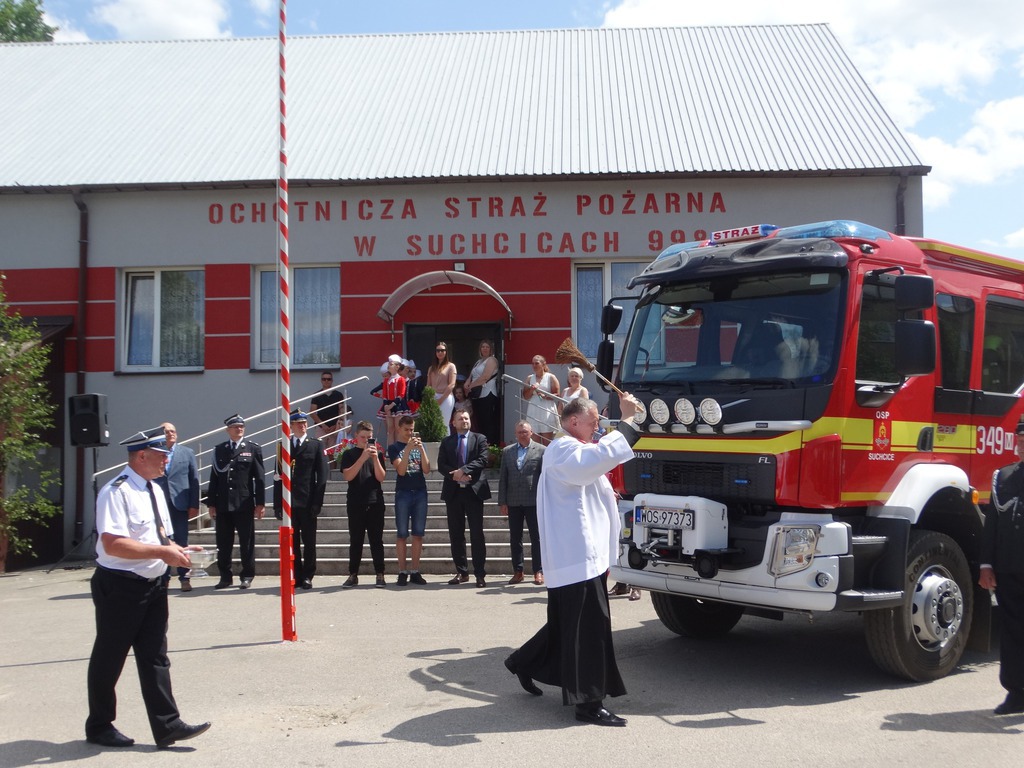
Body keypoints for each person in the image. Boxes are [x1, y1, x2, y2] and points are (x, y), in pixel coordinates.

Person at [503, 393, 639, 727]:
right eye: (593, 422)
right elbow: (599, 459)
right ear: (573, 421)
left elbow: (595, 464)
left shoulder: (573, 448)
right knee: (589, 629)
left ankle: (523, 661)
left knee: (571, 624)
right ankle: (588, 704)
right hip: (576, 555)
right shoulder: (564, 448)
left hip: (581, 556)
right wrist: (629, 420)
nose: (597, 428)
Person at [85, 427, 211, 749]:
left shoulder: (154, 489)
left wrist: (179, 550)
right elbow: (112, 544)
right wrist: (162, 553)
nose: (167, 461)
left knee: (155, 657)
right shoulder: (117, 491)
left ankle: (167, 726)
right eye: (161, 456)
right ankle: (99, 725)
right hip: (121, 586)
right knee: (110, 657)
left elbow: (158, 537)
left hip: (154, 584)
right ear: (141, 456)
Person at [980, 421, 1024, 716]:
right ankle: (1017, 693)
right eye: (1020, 437)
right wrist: (986, 565)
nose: (1022, 442)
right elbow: (992, 524)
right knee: (1012, 631)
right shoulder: (1003, 476)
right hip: (1010, 567)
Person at [205, 414, 266, 590]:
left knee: (246, 542)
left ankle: (247, 575)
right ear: (228, 430)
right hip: (223, 504)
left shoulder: (253, 449)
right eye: (235, 427)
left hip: (244, 503)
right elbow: (214, 478)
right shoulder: (219, 450)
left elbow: (259, 478)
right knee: (223, 543)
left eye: (241, 427)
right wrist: (211, 503)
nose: (239, 429)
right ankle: (225, 576)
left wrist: (260, 503)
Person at [273, 410, 329, 590]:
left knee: (309, 541)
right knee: (293, 541)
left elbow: (321, 476)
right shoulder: (284, 446)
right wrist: (277, 504)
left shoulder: (315, 445)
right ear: (291, 425)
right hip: (290, 502)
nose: (302, 425)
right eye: (298, 423)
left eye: (304, 422)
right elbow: (278, 477)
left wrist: (317, 503)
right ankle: (296, 574)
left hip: (307, 501)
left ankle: (308, 575)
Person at [439, 409, 492, 587]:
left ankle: (479, 574)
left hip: (474, 492)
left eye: (467, 418)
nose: (464, 421)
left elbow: (483, 459)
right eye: (460, 419)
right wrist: (454, 475)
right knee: (456, 534)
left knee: (476, 534)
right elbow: (441, 464)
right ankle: (462, 572)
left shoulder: (480, 439)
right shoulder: (447, 441)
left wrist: (464, 470)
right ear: (453, 423)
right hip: (453, 493)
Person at [340, 421, 388, 588]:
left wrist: (374, 458)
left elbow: (381, 478)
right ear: (356, 437)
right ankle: (353, 574)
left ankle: (380, 574)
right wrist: (362, 458)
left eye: (369, 437)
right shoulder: (349, 454)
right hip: (355, 503)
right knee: (356, 540)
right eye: (363, 437)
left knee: (376, 540)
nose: (367, 440)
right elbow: (348, 476)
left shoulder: (378, 455)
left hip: (375, 502)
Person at [498, 420, 545, 585]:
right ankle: (518, 571)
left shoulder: (541, 451)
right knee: (515, 537)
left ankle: (538, 571)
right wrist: (502, 501)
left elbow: (545, 477)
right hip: (513, 500)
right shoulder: (507, 452)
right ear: (515, 434)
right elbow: (503, 477)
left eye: (525, 432)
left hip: (533, 501)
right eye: (519, 432)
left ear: (531, 432)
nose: (522, 435)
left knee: (536, 537)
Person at [155, 421, 200, 592]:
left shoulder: (187, 453)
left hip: (180, 504)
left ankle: (184, 577)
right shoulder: (155, 453)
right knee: (162, 541)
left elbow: (194, 480)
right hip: (159, 505)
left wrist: (194, 504)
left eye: (173, 431)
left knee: (181, 541)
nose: (170, 434)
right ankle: (163, 578)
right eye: (166, 432)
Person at [388, 415, 431, 586]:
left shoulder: (420, 446)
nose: (410, 433)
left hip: (420, 491)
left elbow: (427, 469)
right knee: (402, 533)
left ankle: (415, 570)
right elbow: (401, 470)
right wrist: (407, 450)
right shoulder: (393, 448)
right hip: (403, 493)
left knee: (418, 533)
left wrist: (421, 450)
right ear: (399, 429)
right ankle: (402, 571)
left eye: (412, 429)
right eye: (406, 430)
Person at [465, 338, 500, 444]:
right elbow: (471, 376)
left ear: (491, 349)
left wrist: (471, 386)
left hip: (487, 394)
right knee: (479, 421)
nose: (485, 349)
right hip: (477, 396)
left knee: (488, 422)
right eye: (483, 347)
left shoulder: (492, 360)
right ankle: (481, 444)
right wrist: (466, 385)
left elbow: (485, 377)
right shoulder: (478, 362)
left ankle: (490, 445)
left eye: (487, 347)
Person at [523, 355, 560, 444]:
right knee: (534, 441)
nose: (534, 366)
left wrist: (546, 396)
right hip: (534, 409)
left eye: (537, 363)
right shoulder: (529, 378)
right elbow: (525, 396)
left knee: (547, 441)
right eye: (533, 364)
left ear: (543, 364)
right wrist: (531, 389)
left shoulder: (551, 377)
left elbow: (558, 395)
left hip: (546, 408)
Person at [428, 340, 458, 435]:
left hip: (446, 397)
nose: (440, 352)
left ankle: (446, 446)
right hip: (433, 396)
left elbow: (452, 384)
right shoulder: (431, 368)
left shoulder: (451, 366)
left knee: (444, 423)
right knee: (433, 423)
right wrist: (429, 399)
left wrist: (441, 399)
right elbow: (428, 385)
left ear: (446, 352)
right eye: (438, 350)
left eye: (442, 350)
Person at [311, 371, 346, 442]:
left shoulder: (338, 395)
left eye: (329, 379)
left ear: (332, 380)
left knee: (334, 451)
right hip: (320, 428)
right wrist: (323, 426)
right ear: (321, 380)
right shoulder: (316, 395)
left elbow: (341, 411)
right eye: (324, 379)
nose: (326, 381)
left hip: (335, 428)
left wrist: (336, 425)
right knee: (319, 450)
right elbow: (312, 412)